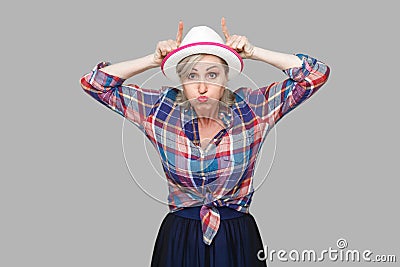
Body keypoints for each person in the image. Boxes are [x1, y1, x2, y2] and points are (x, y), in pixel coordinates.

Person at [80, 18, 330, 267]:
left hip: (236, 238)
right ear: (180, 79)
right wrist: (152, 60)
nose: (202, 87)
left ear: (225, 77)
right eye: (191, 75)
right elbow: (95, 84)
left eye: (212, 75)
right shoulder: (162, 109)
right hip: (180, 238)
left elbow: (315, 75)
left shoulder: (252, 107)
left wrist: (255, 53)